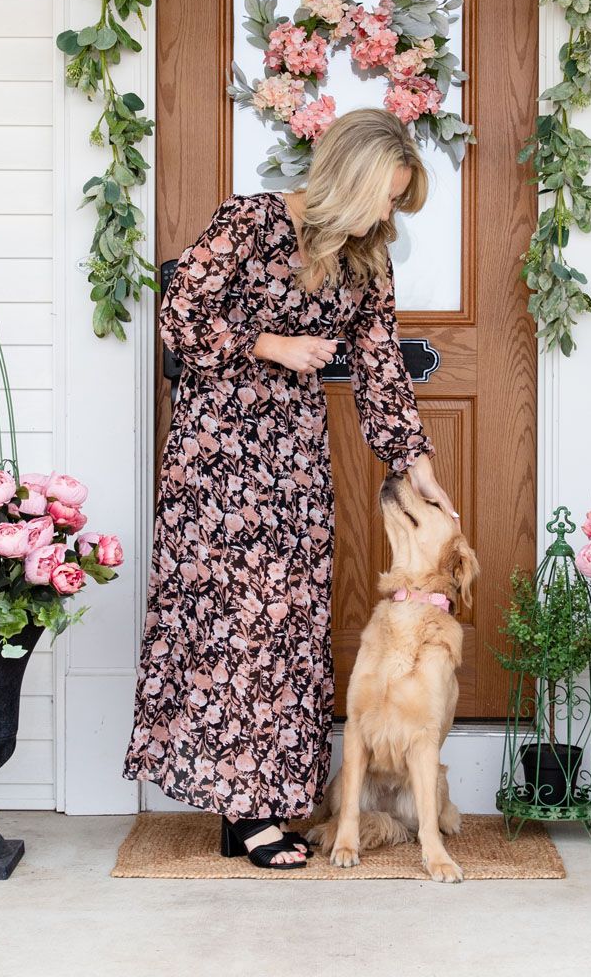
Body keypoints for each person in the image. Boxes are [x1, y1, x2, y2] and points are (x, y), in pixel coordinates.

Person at [123, 108, 456, 868]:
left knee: (289, 628)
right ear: (350, 177)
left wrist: (417, 464)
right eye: (384, 196)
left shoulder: (367, 258)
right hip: (217, 457)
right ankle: (243, 815)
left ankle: (265, 802)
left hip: (294, 458)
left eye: (397, 202)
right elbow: (180, 316)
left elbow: (379, 366)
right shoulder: (250, 222)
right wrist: (268, 343)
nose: (386, 214)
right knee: (232, 628)